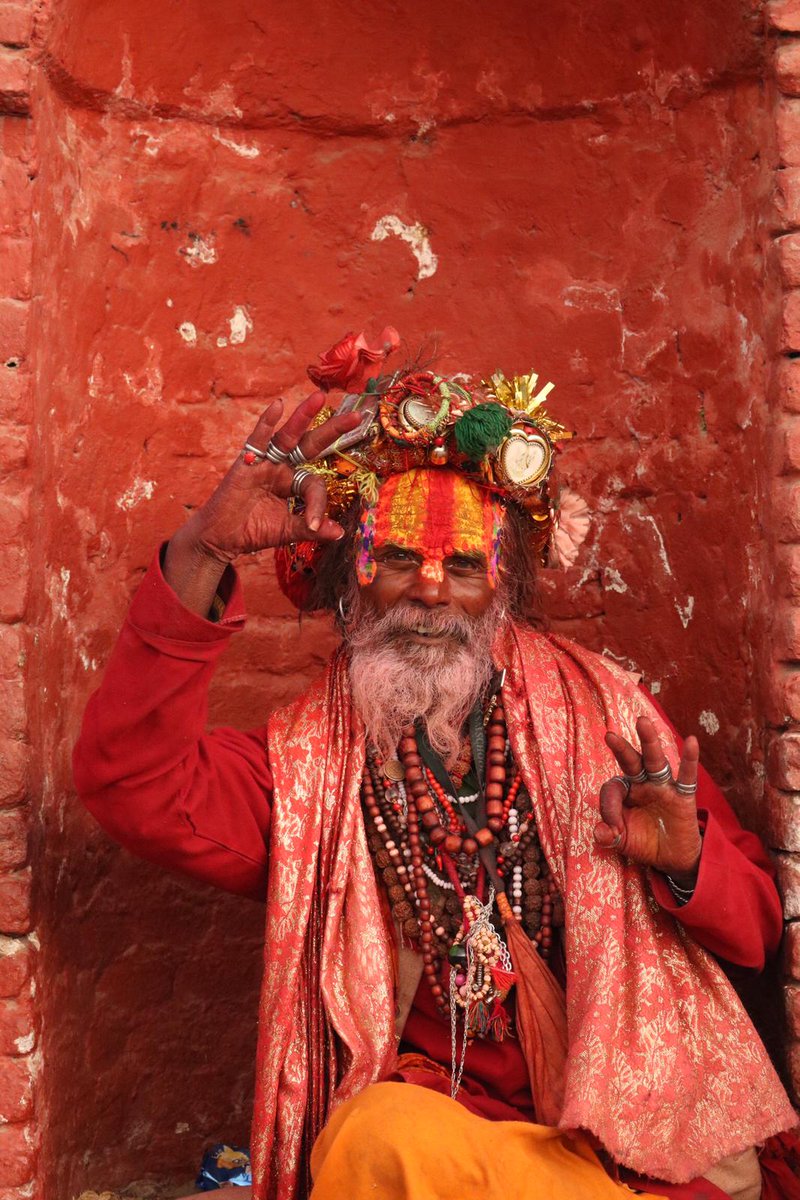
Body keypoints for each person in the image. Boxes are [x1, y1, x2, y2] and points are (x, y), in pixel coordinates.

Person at [74, 330, 799, 1200]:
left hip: (638, 1147)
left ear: (503, 589)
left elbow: (758, 930)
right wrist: (204, 551)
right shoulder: (313, 770)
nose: (428, 592)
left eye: (461, 567)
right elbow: (136, 787)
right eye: (396, 562)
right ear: (351, 583)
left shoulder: (606, 716)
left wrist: (686, 865)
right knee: (377, 1139)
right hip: (446, 1150)